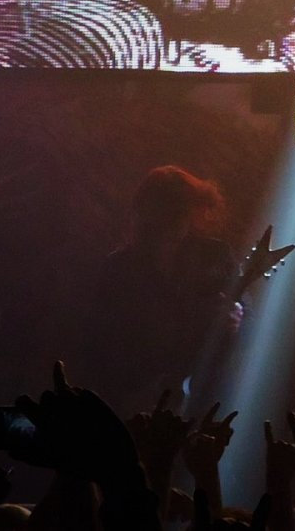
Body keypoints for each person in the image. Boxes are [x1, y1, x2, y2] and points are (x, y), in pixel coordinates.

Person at [80, 165, 242, 411]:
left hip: (201, 403)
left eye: (182, 211)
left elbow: (250, 321)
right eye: (170, 212)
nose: (178, 220)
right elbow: (99, 344)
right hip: (131, 401)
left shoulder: (215, 256)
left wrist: (238, 317)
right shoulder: (119, 268)